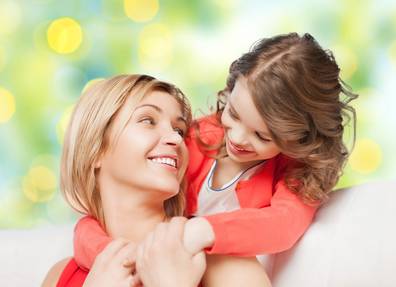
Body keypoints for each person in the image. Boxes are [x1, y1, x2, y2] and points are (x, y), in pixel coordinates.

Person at [73, 33, 358, 284]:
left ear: (299, 139)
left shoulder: (293, 173)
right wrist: (120, 258)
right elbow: (101, 214)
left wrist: (202, 230)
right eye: (233, 114)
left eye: (262, 135)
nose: (237, 138)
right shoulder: (196, 137)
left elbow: (284, 224)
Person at [41, 74, 271, 287]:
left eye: (179, 130)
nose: (176, 139)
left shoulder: (221, 258)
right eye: (149, 121)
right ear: (96, 149)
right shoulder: (59, 276)